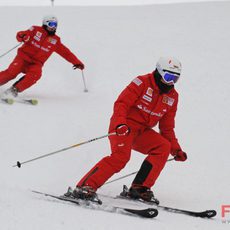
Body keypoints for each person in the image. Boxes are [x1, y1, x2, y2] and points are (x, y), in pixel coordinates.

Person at [72, 57, 187, 204]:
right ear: (159, 72)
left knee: (163, 146)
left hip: (142, 131)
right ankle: (84, 187)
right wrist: (120, 123)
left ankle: (139, 188)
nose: (171, 82)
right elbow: (122, 103)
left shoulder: (172, 97)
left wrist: (176, 150)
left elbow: (167, 127)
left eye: (175, 79)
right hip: (123, 126)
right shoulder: (142, 82)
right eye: (168, 77)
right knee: (121, 157)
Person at [0, 15, 84, 98]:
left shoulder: (55, 41)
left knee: (36, 74)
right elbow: (21, 34)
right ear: (45, 23)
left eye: (55, 25)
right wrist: (22, 36)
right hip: (23, 58)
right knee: (11, 73)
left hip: (36, 63)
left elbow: (66, 53)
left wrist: (77, 63)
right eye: (51, 24)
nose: (53, 27)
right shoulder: (35, 30)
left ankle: (13, 90)